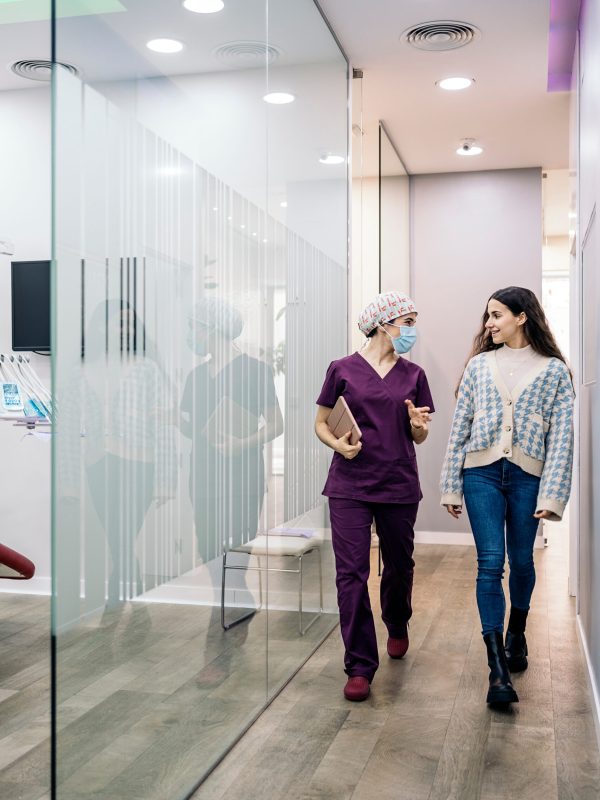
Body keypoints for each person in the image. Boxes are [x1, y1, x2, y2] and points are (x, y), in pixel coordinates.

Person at [440, 286, 574, 706]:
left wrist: (552, 495)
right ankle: (497, 668)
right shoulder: (480, 366)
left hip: (527, 478)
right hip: (479, 473)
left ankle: (517, 630)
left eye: (496, 315)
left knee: (521, 561)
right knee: (489, 564)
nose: (488, 324)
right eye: (487, 316)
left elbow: (562, 440)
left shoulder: (554, 371)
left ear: (522, 316)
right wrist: (451, 483)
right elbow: (459, 425)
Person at [315, 290, 434, 702]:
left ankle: (397, 621)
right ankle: (360, 664)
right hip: (349, 485)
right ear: (384, 324)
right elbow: (321, 424)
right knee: (351, 575)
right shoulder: (342, 368)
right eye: (408, 322)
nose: (412, 331)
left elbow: (420, 433)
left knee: (399, 564)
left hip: (398, 482)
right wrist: (340, 446)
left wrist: (418, 426)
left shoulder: (414, 375)